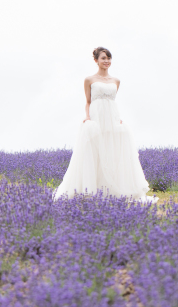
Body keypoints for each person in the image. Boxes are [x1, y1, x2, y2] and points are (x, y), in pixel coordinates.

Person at [55, 47, 157, 203]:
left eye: (109, 58)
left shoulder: (116, 81)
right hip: (96, 119)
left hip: (111, 119)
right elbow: (88, 102)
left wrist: (118, 119)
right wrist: (88, 117)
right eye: (103, 58)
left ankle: (111, 189)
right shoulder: (89, 80)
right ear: (96, 60)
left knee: (111, 151)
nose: (107, 61)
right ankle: (91, 190)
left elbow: (112, 103)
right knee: (94, 152)